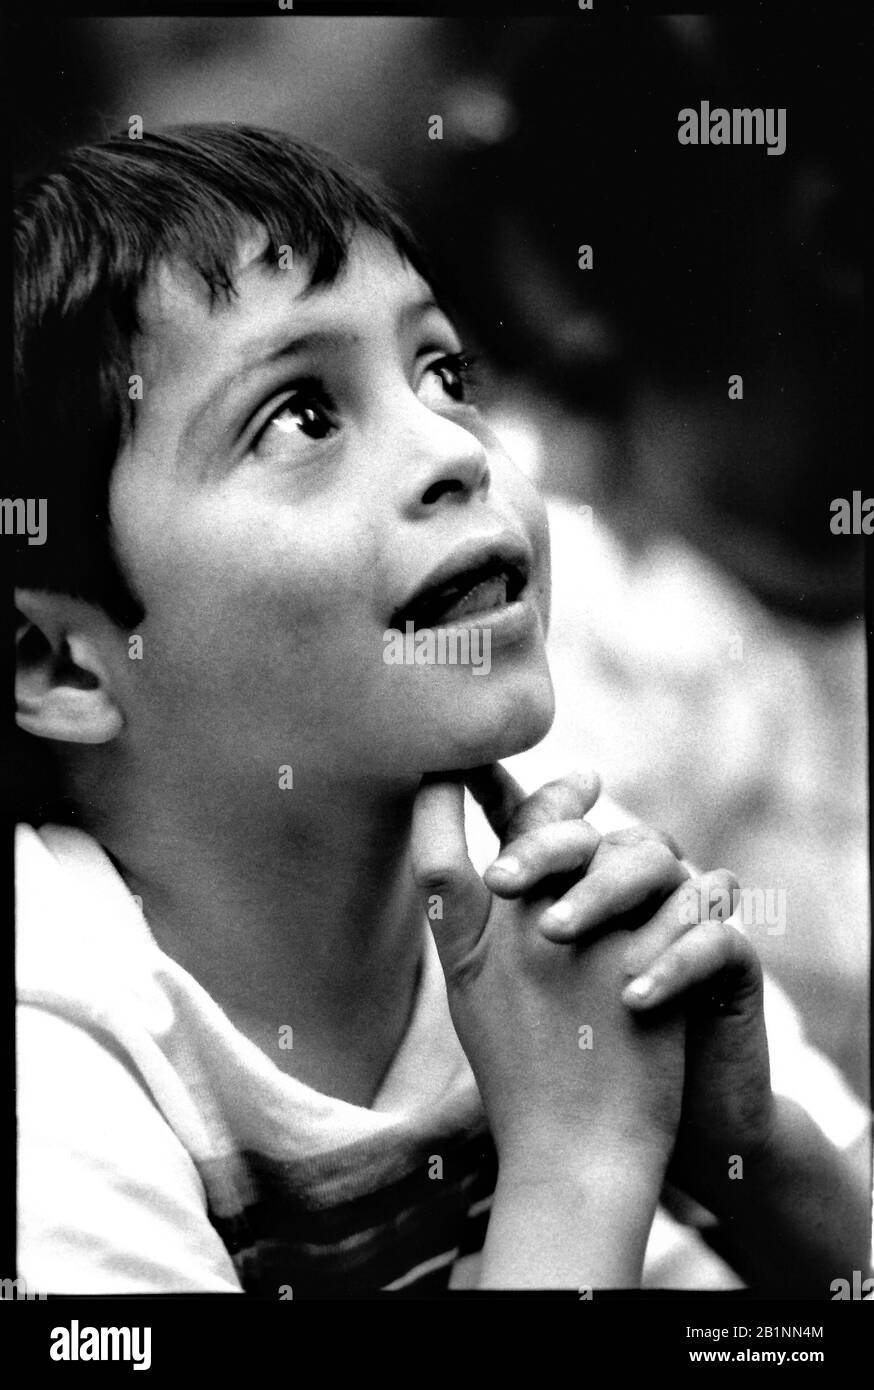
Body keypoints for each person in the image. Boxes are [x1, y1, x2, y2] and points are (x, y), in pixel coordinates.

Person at [12, 125, 869, 1296]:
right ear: (62, 663)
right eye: (302, 414)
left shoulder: (560, 887)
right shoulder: (50, 1057)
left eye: (443, 373)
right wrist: (575, 1161)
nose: (458, 453)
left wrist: (745, 1155)